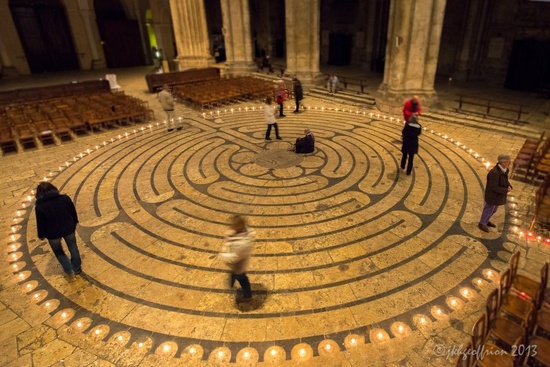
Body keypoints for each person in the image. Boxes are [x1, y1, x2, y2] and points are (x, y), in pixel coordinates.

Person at [34, 182, 82, 276]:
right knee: (73, 246)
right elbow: (72, 211)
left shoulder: (39, 207)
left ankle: (68, 269)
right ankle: (76, 268)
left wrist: (41, 235)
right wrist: (75, 221)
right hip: (68, 228)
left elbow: (41, 223)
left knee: (58, 251)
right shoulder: (65, 199)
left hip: (52, 233)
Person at [219, 215, 255, 302]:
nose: (231, 227)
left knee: (242, 279)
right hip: (236, 264)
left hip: (239, 265)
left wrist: (223, 256)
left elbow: (234, 258)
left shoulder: (242, 243)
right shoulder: (238, 233)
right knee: (234, 273)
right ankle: (231, 283)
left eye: (233, 225)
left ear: (239, 226)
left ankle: (248, 295)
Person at [478, 154, 513, 233]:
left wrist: (509, 185)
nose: (509, 163)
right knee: (489, 209)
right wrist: (505, 190)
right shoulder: (494, 173)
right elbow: (494, 187)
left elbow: (504, 180)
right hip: (493, 195)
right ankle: (482, 223)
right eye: (508, 162)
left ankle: (486, 220)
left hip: (498, 195)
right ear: (503, 162)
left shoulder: (504, 170)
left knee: (494, 210)